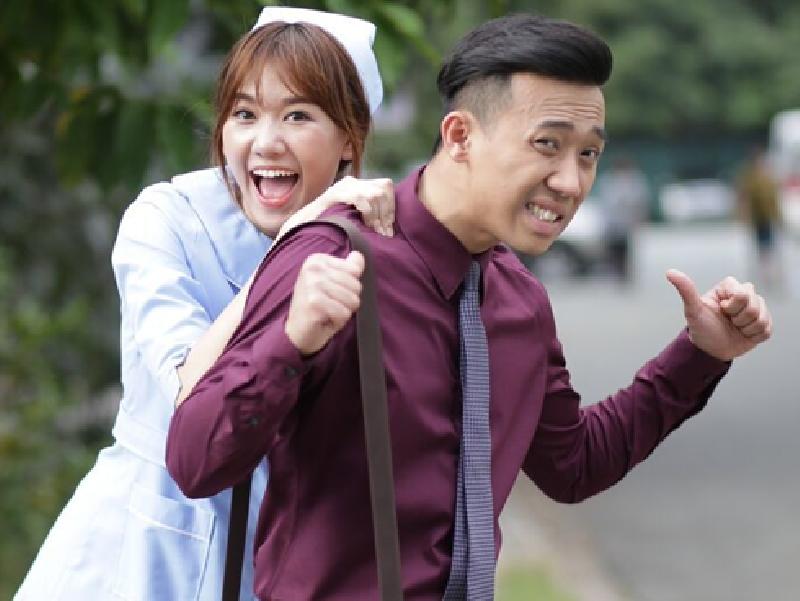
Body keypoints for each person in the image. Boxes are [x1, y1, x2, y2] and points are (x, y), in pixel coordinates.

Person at [166, 13, 773, 601]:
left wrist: (700, 355)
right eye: (547, 145)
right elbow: (195, 461)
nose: (570, 181)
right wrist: (291, 342)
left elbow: (573, 464)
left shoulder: (519, 301)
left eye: (587, 154)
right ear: (460, 137)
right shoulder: (333, 256)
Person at [15, 7, 395, 601]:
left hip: (277, 554)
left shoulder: (366, 246)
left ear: (351, 137)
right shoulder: (165, 220)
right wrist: (294, 246)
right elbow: (192, 391)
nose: (265, 142)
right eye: (244, 114)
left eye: (298, 115)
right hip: (140, 548)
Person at [595, 155, 650, 282]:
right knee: (612, 250)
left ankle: (625, 274)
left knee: (627, 250)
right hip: (612, 224)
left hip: (627, 224)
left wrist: (640, 219)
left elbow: (641, 202)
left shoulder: (635, 181)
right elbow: (605, 204)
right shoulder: (608, 181)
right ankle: (615, 272)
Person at [737, 146, 783, 290]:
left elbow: (774, 199)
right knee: (763, 248)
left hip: (768, 217)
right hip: (759, 218)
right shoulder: (751, 178)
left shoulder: (767, 177)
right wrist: (745, 216)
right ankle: (766, 274)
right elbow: (744, 198)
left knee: (770, 247)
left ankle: (771, 274)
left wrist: (778, 217)